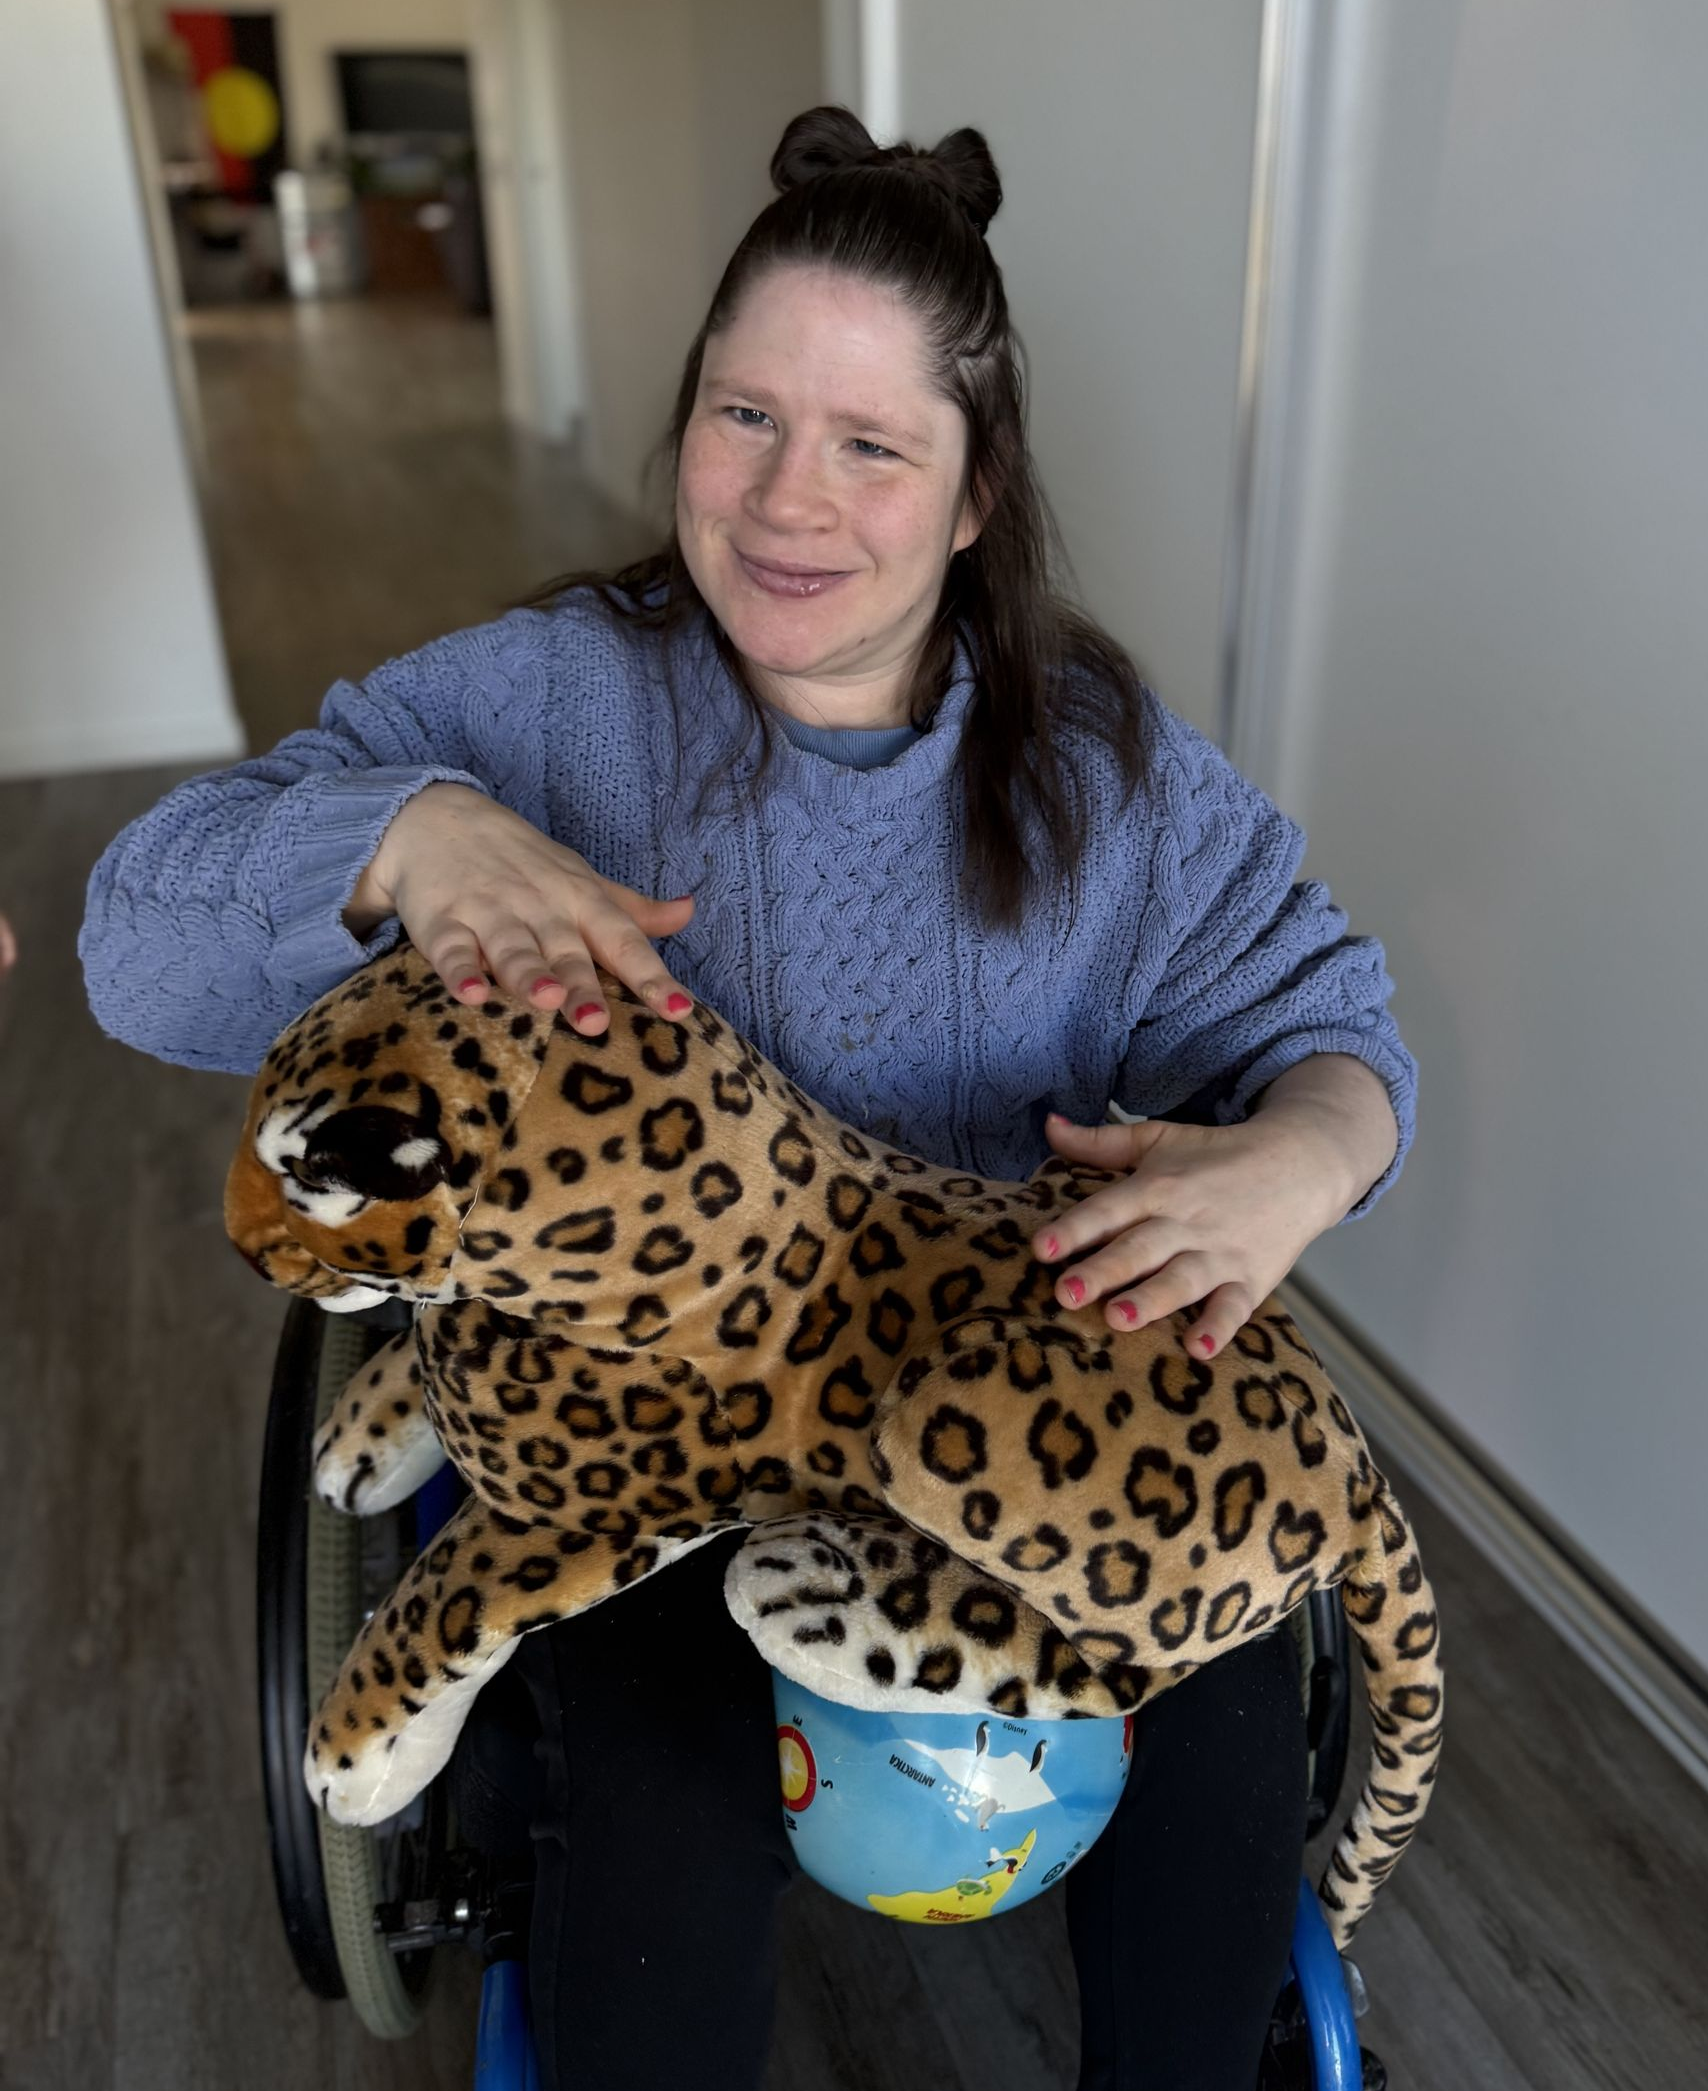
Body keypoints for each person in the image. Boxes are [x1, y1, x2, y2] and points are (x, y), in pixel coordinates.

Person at [79, 106, 1416, 2091]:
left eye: (876, 444)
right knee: (654, 1802)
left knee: (1217, 1714)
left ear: (974, 499)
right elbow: (132, 940)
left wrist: (1297, 1158)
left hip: (991, 1400)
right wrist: (404, 837)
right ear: (685, 422)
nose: (794, 502)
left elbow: (1337, 1024)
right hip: (644, 1431)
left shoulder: (1106, 775)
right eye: (744, 417)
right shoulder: (541, 705)